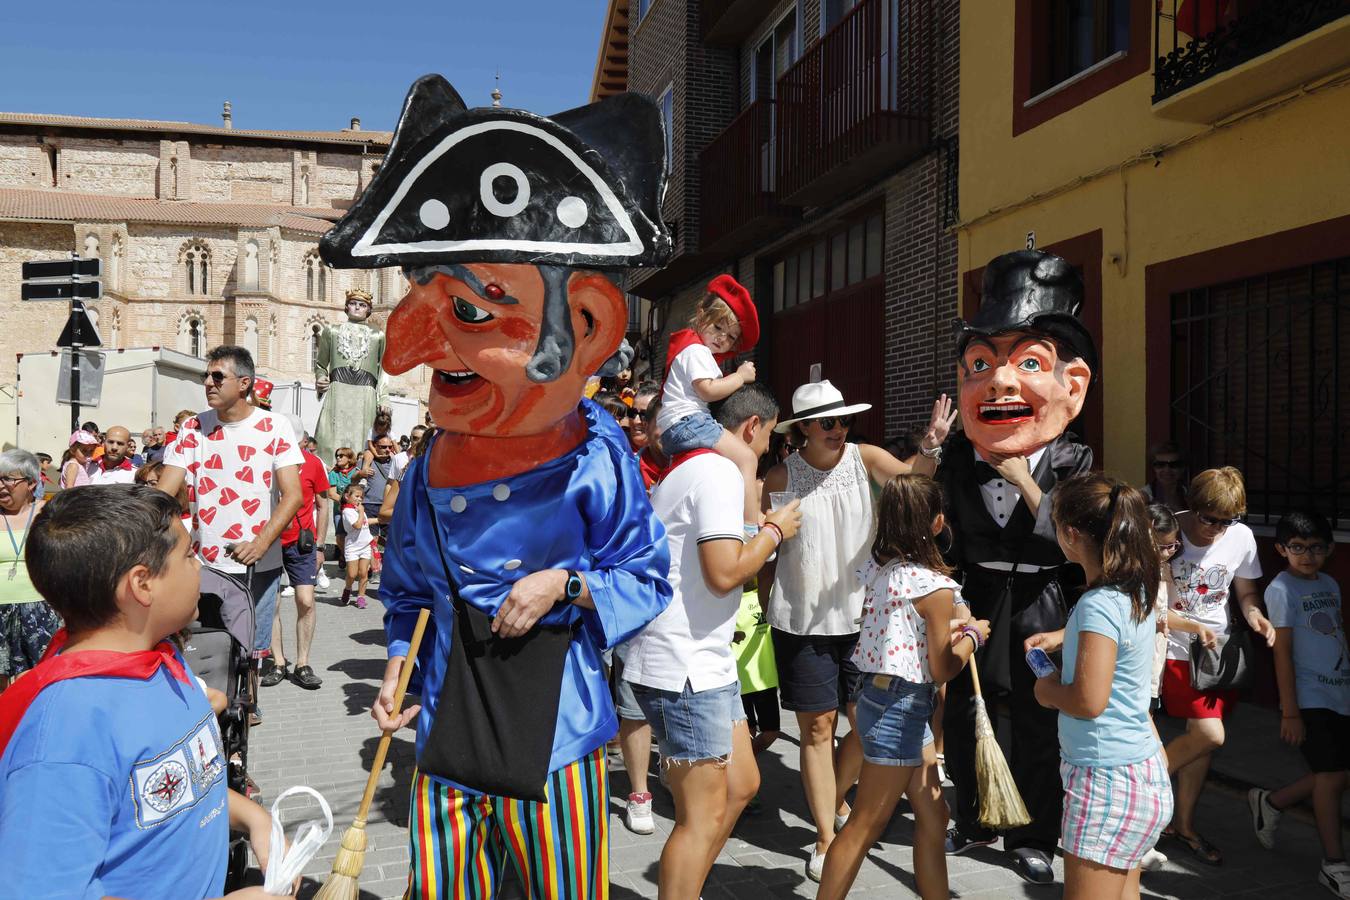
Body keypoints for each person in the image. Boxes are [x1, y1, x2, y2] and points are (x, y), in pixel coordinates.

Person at [323, 74, 673, 896]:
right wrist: (396, 672)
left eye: (472, 311)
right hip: (450, 725)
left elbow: (647, 575)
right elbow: (407, 590)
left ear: (585, 326)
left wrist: (566, 582)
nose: (406, 353)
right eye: (421, 301)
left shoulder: (597, 455)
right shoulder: (428, 466)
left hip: (558, 731)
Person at [0, 485, 289, 900]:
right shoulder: (66, 731)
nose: (200, 566)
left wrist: (255, 820)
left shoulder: (164, 665)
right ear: (142, 584)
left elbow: (178, 787)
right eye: (189, 555)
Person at [939, 249, 1097, 885]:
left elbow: (1074, 538)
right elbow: (928, 524)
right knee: (968, 709)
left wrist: (1020, 478)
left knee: (1036, 715)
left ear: (1072, 385)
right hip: (977, 593)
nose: (1000, 382)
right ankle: (976, 815)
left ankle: (1036, 832)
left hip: (1041, 600)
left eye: (1028, 363)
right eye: (981, 364)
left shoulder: (1074, 462)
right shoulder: (955, 458)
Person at [761, 379, 955, 881]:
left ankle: (841, 798)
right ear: (802, 428)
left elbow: (915, 487)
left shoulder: (864, 457)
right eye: (829, 422)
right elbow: (765, 547)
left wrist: (930, 445)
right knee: (817, 728)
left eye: (845, 420)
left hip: (868, 617)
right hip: (802, 620)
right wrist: (760, 602)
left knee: (863, 722)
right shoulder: (781, 475)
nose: (840, 429)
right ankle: (826, 835)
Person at [624, 383, 802, 900]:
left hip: (704, 661)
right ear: (752, 429)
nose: (768, 452)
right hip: (684, 668)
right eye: (768, 439)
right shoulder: (719, 472)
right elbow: (726, 574)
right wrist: (775, 530)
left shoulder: (692, 470)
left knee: (742, 784)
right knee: (699, 819)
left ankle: (688, 885)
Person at [817, 474, 990, 900]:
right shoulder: (934, 588)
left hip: (881, 698)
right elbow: (943, 667)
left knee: (934, 814)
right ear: (936, 523)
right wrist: (974, 636)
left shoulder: (881, 567)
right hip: (903, 706)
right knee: (865, 824)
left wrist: (958, 617)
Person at [1026, 475, 1174, 900]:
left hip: (1105, 780)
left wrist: (1047, 689)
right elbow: (1121, 655)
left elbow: (1088, 702)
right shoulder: (1134, 590)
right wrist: (1064, 637)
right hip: (1138, 769)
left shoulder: (1097, 605)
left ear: (1070, 534)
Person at [155, 346, 304, 722]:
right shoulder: (192, 429)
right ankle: (213, 718)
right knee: (210, 647)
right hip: (206, 565)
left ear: (244, 383)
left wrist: (260, 543)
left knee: (251, 648)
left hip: (260, 564)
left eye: (217, 376)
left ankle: (247, 715)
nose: (208, 383)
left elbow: (294, 494)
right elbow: (161, 494)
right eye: (206, 376)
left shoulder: (274, 426)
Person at [1158, 466, 1275, 865]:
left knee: (1202, 742)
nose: (1217, 529)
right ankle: (1144, 786)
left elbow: (1245, 590)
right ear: (1193, 506)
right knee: (1210, 735)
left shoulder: (1240, 537)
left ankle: (1182, 825)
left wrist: (1255, 614)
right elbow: (1152, 602)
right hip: (1174, 648)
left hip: (1218, 653)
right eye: (1210, 519)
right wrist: (1187, 624)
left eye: (1227, 521)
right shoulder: (1167, 532)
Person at [1249, 511, 1350, 897]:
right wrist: (1290, 711)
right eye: (1297, 548)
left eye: (1316, 548)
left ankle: (1271, 802)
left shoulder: (1329, 583)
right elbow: (1282, 651)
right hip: (1308, 698)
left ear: (1329, 549)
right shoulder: (1282, 589)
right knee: (1329, 777)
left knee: (1339, 775)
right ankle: (1334, 863)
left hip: (1339, 691)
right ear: (1281, 550)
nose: (1307, 556)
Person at [656, 275, 763, 526]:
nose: (722, 338)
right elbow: (708, 390)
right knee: (747, 458)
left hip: (675, 427)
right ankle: (750, 524)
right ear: (701, 314)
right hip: (690, 422)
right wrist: (740, 376)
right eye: (718, 327)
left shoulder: (689, 347)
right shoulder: (697, 351)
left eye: (730, 336)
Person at [262, 420, 331, 690]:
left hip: (301, 543)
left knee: (306, 600)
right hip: (270, 541)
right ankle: (279, 662)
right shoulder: (267, 461)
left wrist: (321, 545)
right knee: (272, 605)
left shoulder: (314, 464)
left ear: (303, 442)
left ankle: (303, 663)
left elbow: (323, 506)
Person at [0, 450, 61, 691]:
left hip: (40, 608)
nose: (1, 486)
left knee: (38, 680)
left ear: (31, 483)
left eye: (8, 479)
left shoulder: (49, 514)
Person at [313, 288, 388, 467]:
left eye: (362, 305)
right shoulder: (331, 331)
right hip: (338, 391)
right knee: (330, 439)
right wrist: (321, 379)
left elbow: (384, 369)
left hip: (365, 394)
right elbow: (321, 365)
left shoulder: (378, 335)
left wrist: (383, 396)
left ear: (368, 310)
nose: (357, 308)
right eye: (353, 304)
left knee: (363, 439)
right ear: (346, 307)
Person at [340, 483, 373, 608]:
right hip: (353, 547)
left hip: (365, 545)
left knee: (363, 573)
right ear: (347, 496)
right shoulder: (347, 511)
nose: (359, 499)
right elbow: (357, 525)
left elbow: (364, 522)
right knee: (352, 574)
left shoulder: (358, 510)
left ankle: (361, 597)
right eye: (357, 496)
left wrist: (380, 520)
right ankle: (348, 589)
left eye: (361, 497)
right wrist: (362, 511)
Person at [327, 447, 359, 562]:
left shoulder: (357, 472)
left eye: (341, 456)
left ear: (349, 459)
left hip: (355, 510)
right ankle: (346, 555)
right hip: (340, 510)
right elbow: (331, 494)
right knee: (340, 536)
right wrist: (346, 502)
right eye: (337, 456)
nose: (338, 458)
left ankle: (351, 557)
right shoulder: (334, 473)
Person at [1142, 442, 1187, 512]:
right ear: (1153, 468)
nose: (1167, 470)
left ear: (1182, 468)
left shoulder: (1190, 495)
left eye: (1173, 465)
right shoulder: (1144, 497)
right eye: (1160, 465)